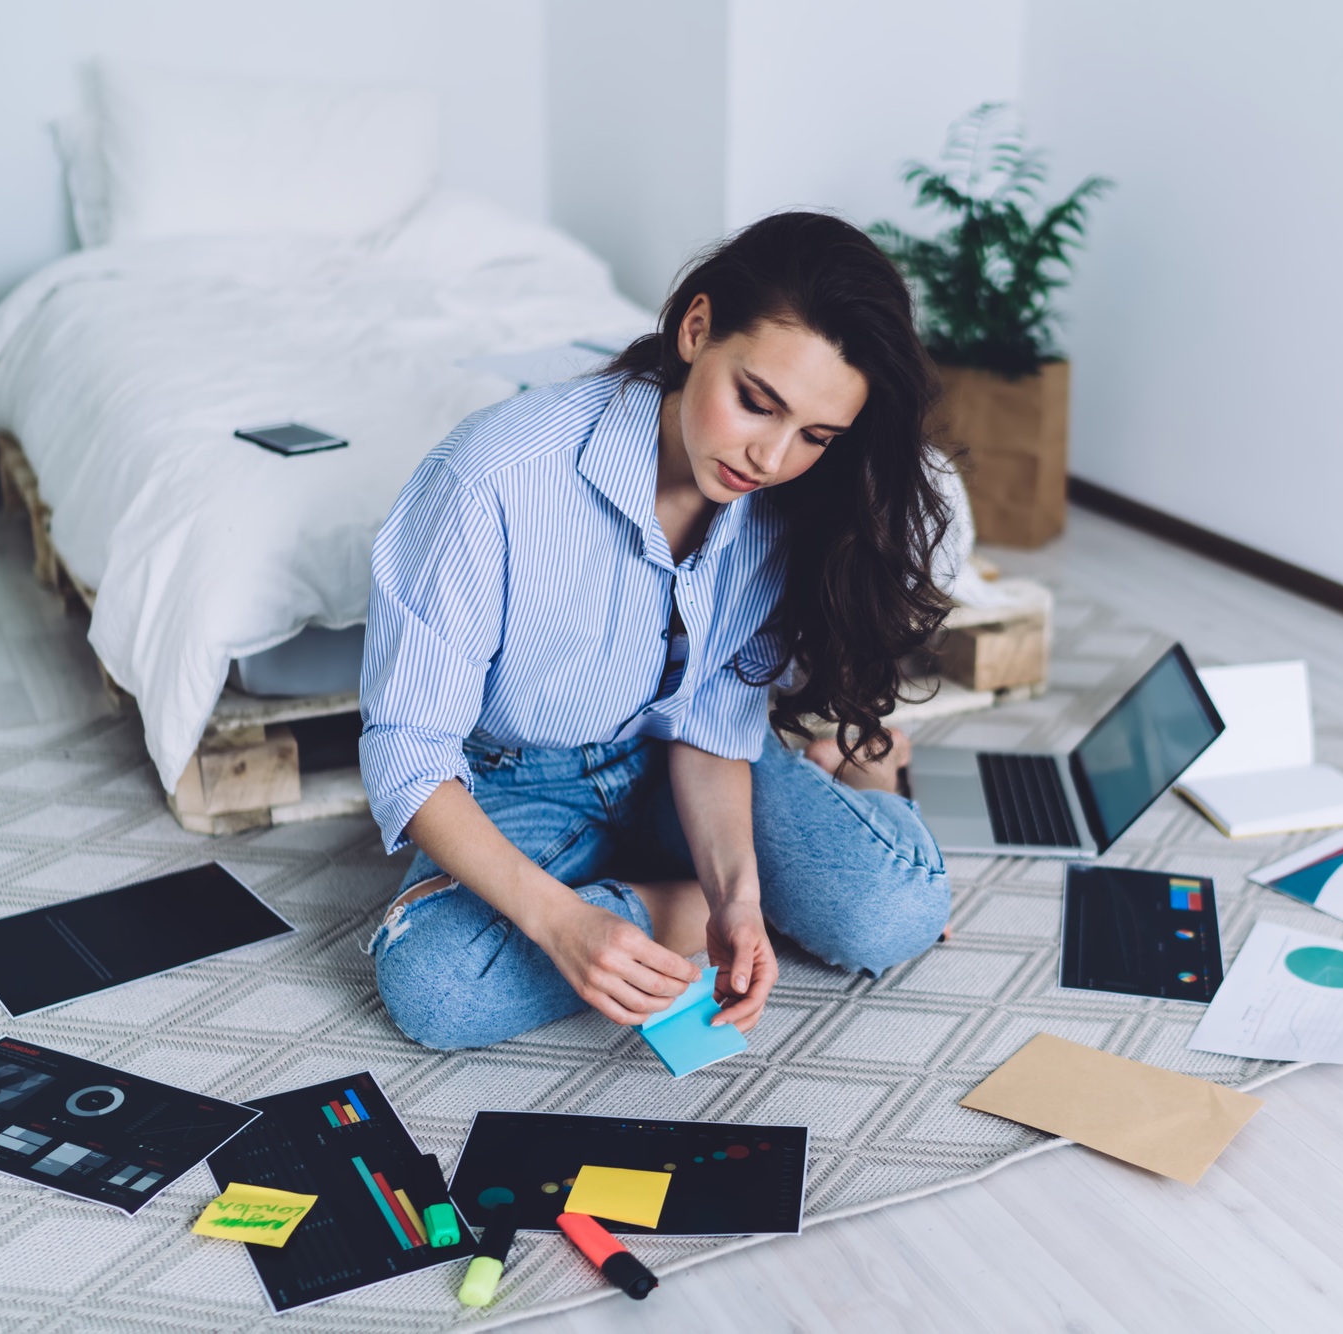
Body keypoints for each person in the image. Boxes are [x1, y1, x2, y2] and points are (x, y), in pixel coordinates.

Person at [359, 211, 956, 1050]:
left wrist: (741, 900)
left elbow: (710, 727)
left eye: (815, 436)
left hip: (672, 765)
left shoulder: (784, 507)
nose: (772, 458)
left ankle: (868, 771)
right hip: (515, 782)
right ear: (696, 328)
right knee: (439, 990)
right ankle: (663, 896)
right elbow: (407, 750)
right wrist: (565, 924)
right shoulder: (491, 477)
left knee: (897, 909)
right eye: (757, 403)